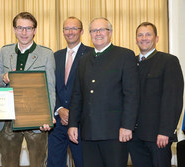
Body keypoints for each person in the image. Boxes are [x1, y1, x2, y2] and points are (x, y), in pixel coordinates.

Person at [67, 17, 139, 167]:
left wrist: (127, 126)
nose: (97, 33)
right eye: (94, 30)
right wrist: (73, 124)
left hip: (115, 132)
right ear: (89, 34)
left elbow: (131, 94)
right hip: (89, 132)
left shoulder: (124, 56)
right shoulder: (83, 61)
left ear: (110, 32)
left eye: (102, 30)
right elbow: (77, 95)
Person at [0, 12, 55, 167]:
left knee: (38, 163)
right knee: (8, 163)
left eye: (28, 28)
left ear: (35, 30)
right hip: (8, 119)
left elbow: (50, 88)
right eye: (20, 28)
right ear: (14, 29)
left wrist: (47, 117)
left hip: (36, 120)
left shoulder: (46, 54)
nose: (24, 32)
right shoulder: (5, 51)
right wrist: (3, 77)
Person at [128, 22, 184, 167]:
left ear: (157, 38)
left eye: (148, 34)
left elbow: (173, 99)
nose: (144, 38)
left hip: (158, 136)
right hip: (134, 136)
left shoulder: (168, 61)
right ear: (135, 39)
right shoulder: (130, 63)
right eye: (140, 35)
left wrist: (165, 131)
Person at [47, 17, 93, 167]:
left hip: (81, 122)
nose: (70, 32)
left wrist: (73, 112)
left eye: (74, 28)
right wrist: (59, 109)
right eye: (67, 28)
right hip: (57, 123)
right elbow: (51, 86)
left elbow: (91, 90)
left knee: (83, 162)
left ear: (82, 31)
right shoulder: (55, 56)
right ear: (63, 32)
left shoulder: (91, 55)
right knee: (54, 163)